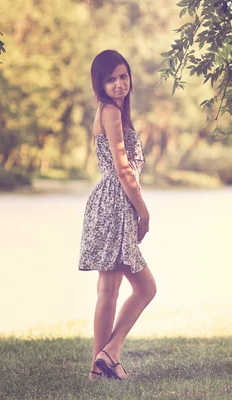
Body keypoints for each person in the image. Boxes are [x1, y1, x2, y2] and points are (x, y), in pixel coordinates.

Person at [79, 50, 156, 381]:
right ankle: (104, 361)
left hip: (113, 205)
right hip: (115, 206)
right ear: (100, 83)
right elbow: (124, 169)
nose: (119, 83)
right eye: (111, 79)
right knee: (132, 289)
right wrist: (144, 213)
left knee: (126, 289)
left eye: (123, 76)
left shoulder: (113, 113)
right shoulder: (110, 112)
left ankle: (105, 360)